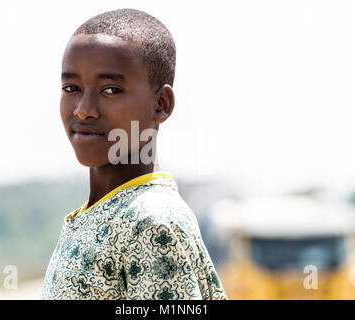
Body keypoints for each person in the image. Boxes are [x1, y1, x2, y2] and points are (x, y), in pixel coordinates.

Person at [41, 8, 227, 300]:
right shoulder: (102, 214)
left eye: (111, 90)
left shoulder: (151, 222)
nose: (83, 109)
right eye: (72, 87)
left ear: (161, 104)